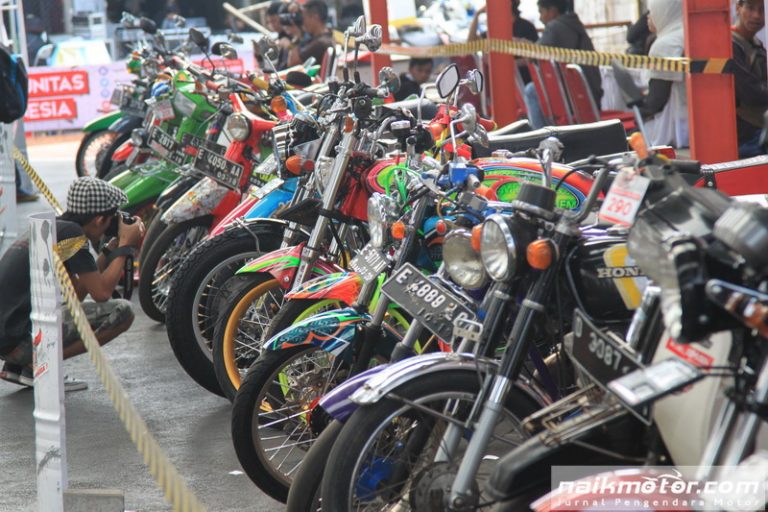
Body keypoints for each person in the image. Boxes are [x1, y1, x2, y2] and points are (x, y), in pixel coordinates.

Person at [0, 178, 145, 391]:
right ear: (99, 219)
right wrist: (126, 245)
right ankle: (40, 365)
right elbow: (102, 294)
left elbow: (75, 294)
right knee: (123, 312)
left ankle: (20, 366)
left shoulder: (56, 229)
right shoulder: (73, 235)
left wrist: (108, 252)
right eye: (111, 219)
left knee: (71, 308)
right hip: (18, 337)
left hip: (9, 337)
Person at [523, 0, 602, 128]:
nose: (540, 18)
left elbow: (534, 55)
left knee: (531, 90)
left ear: (552, 11)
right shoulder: (573, 24)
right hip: (590, 94)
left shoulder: (555, 27)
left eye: (541, 12)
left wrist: (524, 45)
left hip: (577, 97)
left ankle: (540, 134)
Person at [637, 0, 689, 148]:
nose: (648, 17)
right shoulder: (688, 33)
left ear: (665, 12)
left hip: (678, 128)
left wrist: (639, 113)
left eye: (651, 11)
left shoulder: (665, 45)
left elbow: (656, 101)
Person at [467, 1, 538, 83]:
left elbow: (534, 58)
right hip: (500, 79)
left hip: (524, 80)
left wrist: (504, 65)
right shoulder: (494, 30)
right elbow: (470, 44)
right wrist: (477, 14)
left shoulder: (526, 26)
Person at [732, 0, 768, 158]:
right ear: (738, 8)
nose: (757, 15)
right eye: (750, 8)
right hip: (747, 136)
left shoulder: (756, 43)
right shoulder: (731, 44)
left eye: (762, 10)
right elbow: (750, 92)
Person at [287, 0, 333, 68]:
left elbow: (292, 63)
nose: (303, 23)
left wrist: (295, 37)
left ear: (315, 17)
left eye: (304, 18)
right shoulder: (327, 37)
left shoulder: (320, 43)